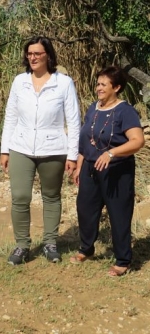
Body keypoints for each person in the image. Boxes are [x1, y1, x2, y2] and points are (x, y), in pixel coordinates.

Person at [0, 36, 81, 265]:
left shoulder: (63, 83)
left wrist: (73, 155)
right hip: (21, 147)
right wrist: (5, 150)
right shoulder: (19, 81)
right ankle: (22, 245)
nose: (32, 57)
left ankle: (50, 243)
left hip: (54, 148)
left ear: (48, 56)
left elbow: (74, 121)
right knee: (20, 197)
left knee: (52, 197)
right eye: (29, 53)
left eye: (37, 53)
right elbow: (10, 117)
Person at [71, 66, 145, 277]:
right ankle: (86, 249)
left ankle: (123, 260)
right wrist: (79, 164)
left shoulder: (126, 111)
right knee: (85, 210)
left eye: (104, 84)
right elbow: (86, 141)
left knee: (119, 214)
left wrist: (112, 153)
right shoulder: (94, 108)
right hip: (90, 169)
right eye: (98, 84)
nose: (98, 88)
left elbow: (137, 141)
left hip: (117, 171)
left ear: (117, 87)